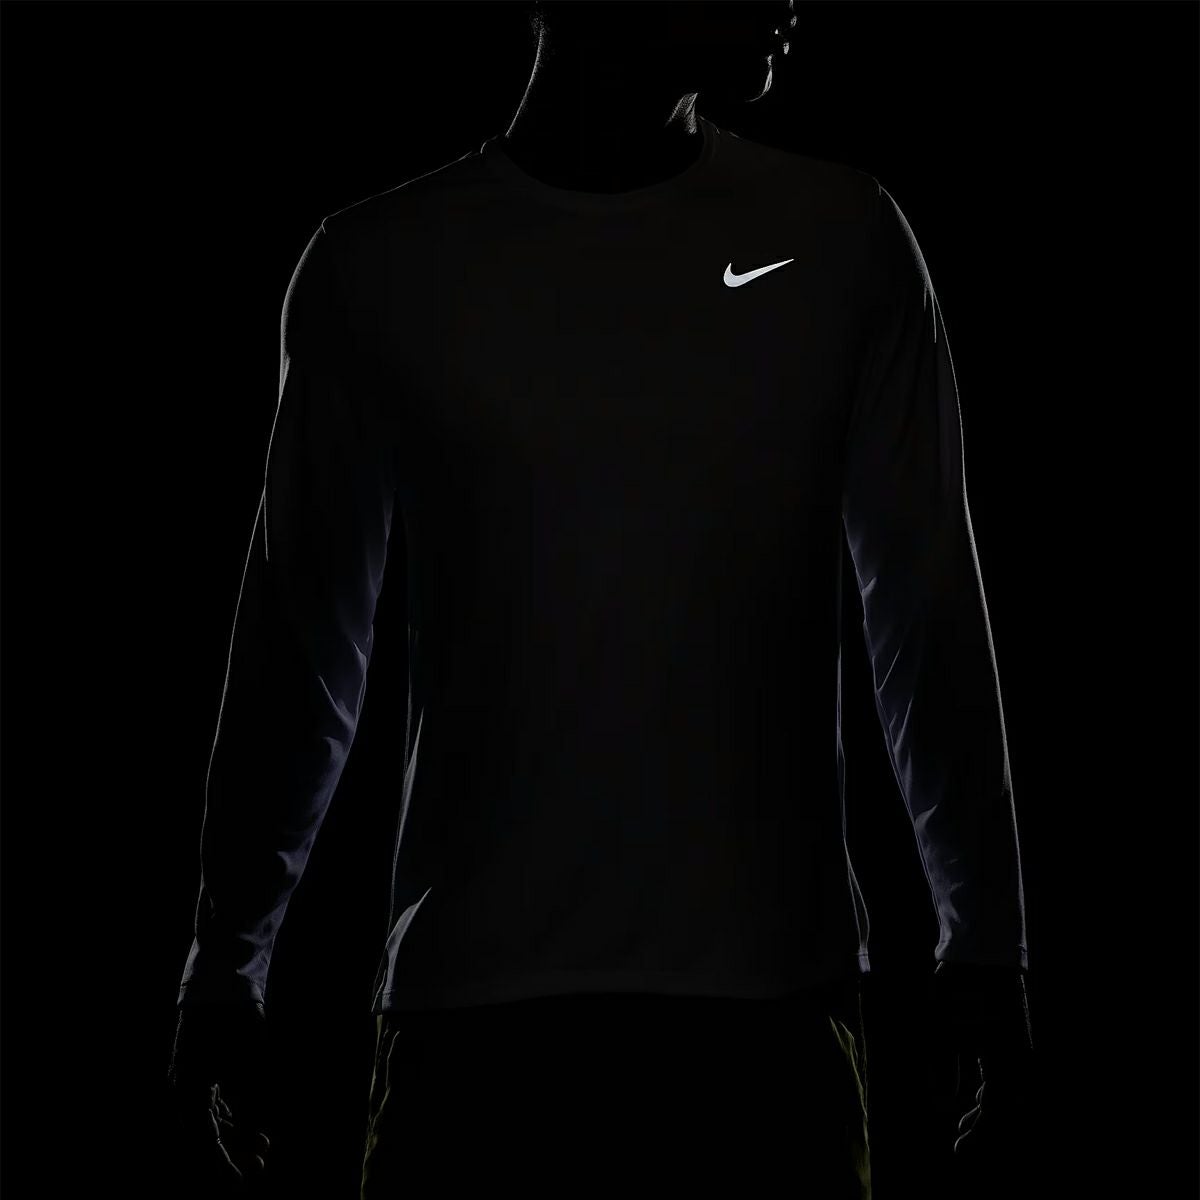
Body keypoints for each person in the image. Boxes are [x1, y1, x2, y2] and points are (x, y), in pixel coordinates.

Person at [166, 3, 1037, 1197]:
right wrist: (224, 965)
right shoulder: (383, 268)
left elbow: (924, 614)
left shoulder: (843, 241)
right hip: (478, 1036)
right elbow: (301, 648)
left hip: (765, 1030)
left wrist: (986, 945)